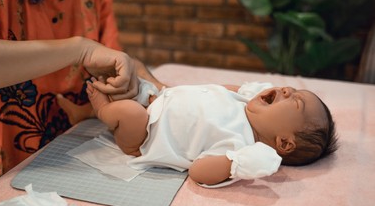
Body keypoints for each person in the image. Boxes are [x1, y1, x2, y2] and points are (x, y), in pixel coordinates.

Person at [0, 0, 162, 186]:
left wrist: (139, 74)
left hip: (65, 155)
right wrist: (81, 50)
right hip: (2, 166)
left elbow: (107, 58)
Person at [86, 77, 338, 187]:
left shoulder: (240, 145)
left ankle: (100, 111)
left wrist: (234, 164)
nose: (286, 90)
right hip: (158, 101)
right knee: (130, 86)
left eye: (294, 101)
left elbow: (198, 172)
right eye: (291, 89)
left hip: (144, 136)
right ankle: (81, 112)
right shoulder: (243, 102)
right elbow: (212, 89)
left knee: (129, 112)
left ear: (284, 142)